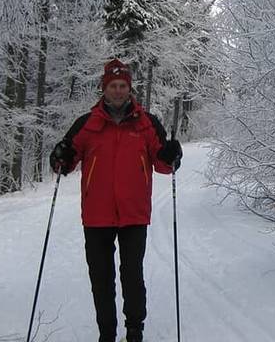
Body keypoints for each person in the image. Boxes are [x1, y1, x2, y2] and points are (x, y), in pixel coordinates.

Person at [49, 58, 182, 342]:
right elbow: (66, 162)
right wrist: (60, 156)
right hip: (97, 215)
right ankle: (106, 334)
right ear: (104, 88)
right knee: (101, 279)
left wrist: (172, 155)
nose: (118, 91)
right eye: (113, 86)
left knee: (132, 275)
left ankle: (134, 331)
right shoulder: (87, 124)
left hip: (134, 214)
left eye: (123, 86)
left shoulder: (147, 123)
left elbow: (163, 164)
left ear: (129, 88)